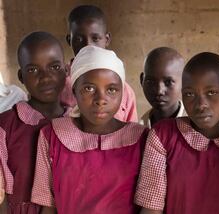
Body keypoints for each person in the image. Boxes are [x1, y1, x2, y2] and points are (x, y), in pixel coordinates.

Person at [31, 46, 148, 214]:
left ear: (122, 93)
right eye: (89, 88)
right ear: (74, 91)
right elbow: (48, 206)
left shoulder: (141, 138)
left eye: (111, 90)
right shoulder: (52, 136)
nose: (101, 99)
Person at [135, 52, 219, 214]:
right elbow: (151, 208)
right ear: (182, 94)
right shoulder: (163, 136)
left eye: (211, 93)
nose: (201, 104)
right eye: (190, 94)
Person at [0, 31, 69, 213]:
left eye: (54, 67)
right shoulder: (5, 127)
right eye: (32, 70)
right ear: (21, 76)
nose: (45, 77)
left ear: (66, 71)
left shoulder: (78, 123)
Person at [61, 4, 138, 122]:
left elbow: (132, 131)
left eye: (95, 38)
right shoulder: (59, 84)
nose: (88, 45)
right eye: (78, 39)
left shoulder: (124, 90)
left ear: (107, 39)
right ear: (69, 41)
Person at [139, 47, 185, 127]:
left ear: (184, 82)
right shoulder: (137, 132)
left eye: (168, 82)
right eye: (151, 82)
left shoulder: (198, 129)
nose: (159, 91)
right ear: (142, 80)